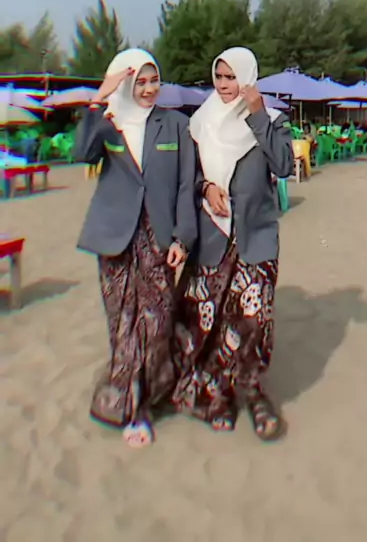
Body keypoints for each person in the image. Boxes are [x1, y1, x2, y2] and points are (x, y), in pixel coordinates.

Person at [75, 48, 197, 448]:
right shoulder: (108, 123)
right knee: (123, 324)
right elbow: (82, 152)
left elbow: (186, 185)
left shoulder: (176, 125)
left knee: (156, 323)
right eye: (139, 82)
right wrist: (98, 98)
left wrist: (182, 238)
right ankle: (134, 408)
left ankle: (150, 393)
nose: (148, 89)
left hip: (157, 236)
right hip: (114, 236)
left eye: (153, 80)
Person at [171, 47, 294, 441]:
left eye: (232, 77)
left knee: (254, 321)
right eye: (219, 77)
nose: (224, 85)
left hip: (256, 234)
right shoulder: (201, 122)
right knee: (208, 319)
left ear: (248, 78)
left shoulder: (272, 119)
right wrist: (206, 187)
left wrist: (257, 115)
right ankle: (216, 394)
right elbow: (187, 174)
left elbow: (284, 165)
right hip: (213, 234)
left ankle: (254, 394)